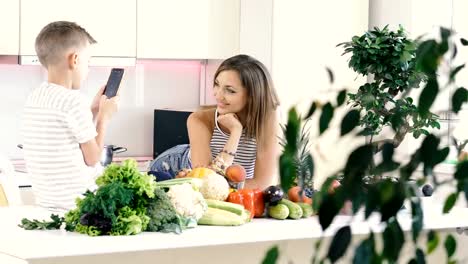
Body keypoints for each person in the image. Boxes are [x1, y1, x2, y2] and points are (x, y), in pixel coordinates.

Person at [22, 21, 119, 211]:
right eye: (88, 62)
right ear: (74, 59)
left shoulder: (35, 97)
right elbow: (92, 158)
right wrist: (104, 118)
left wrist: (93, 110)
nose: (88, 69)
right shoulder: (73, 101)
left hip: (48, 206)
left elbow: (68, 132)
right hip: (81, 207)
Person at [150, 54, 281, 189]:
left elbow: (262, 185)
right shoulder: (199, 119)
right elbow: (208, 183)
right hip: (172, 167)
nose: (217, 94)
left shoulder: (268, 118)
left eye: (230, 90)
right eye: (217, 84)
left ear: (253, 96)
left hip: (223, 180)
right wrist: (235, 132)